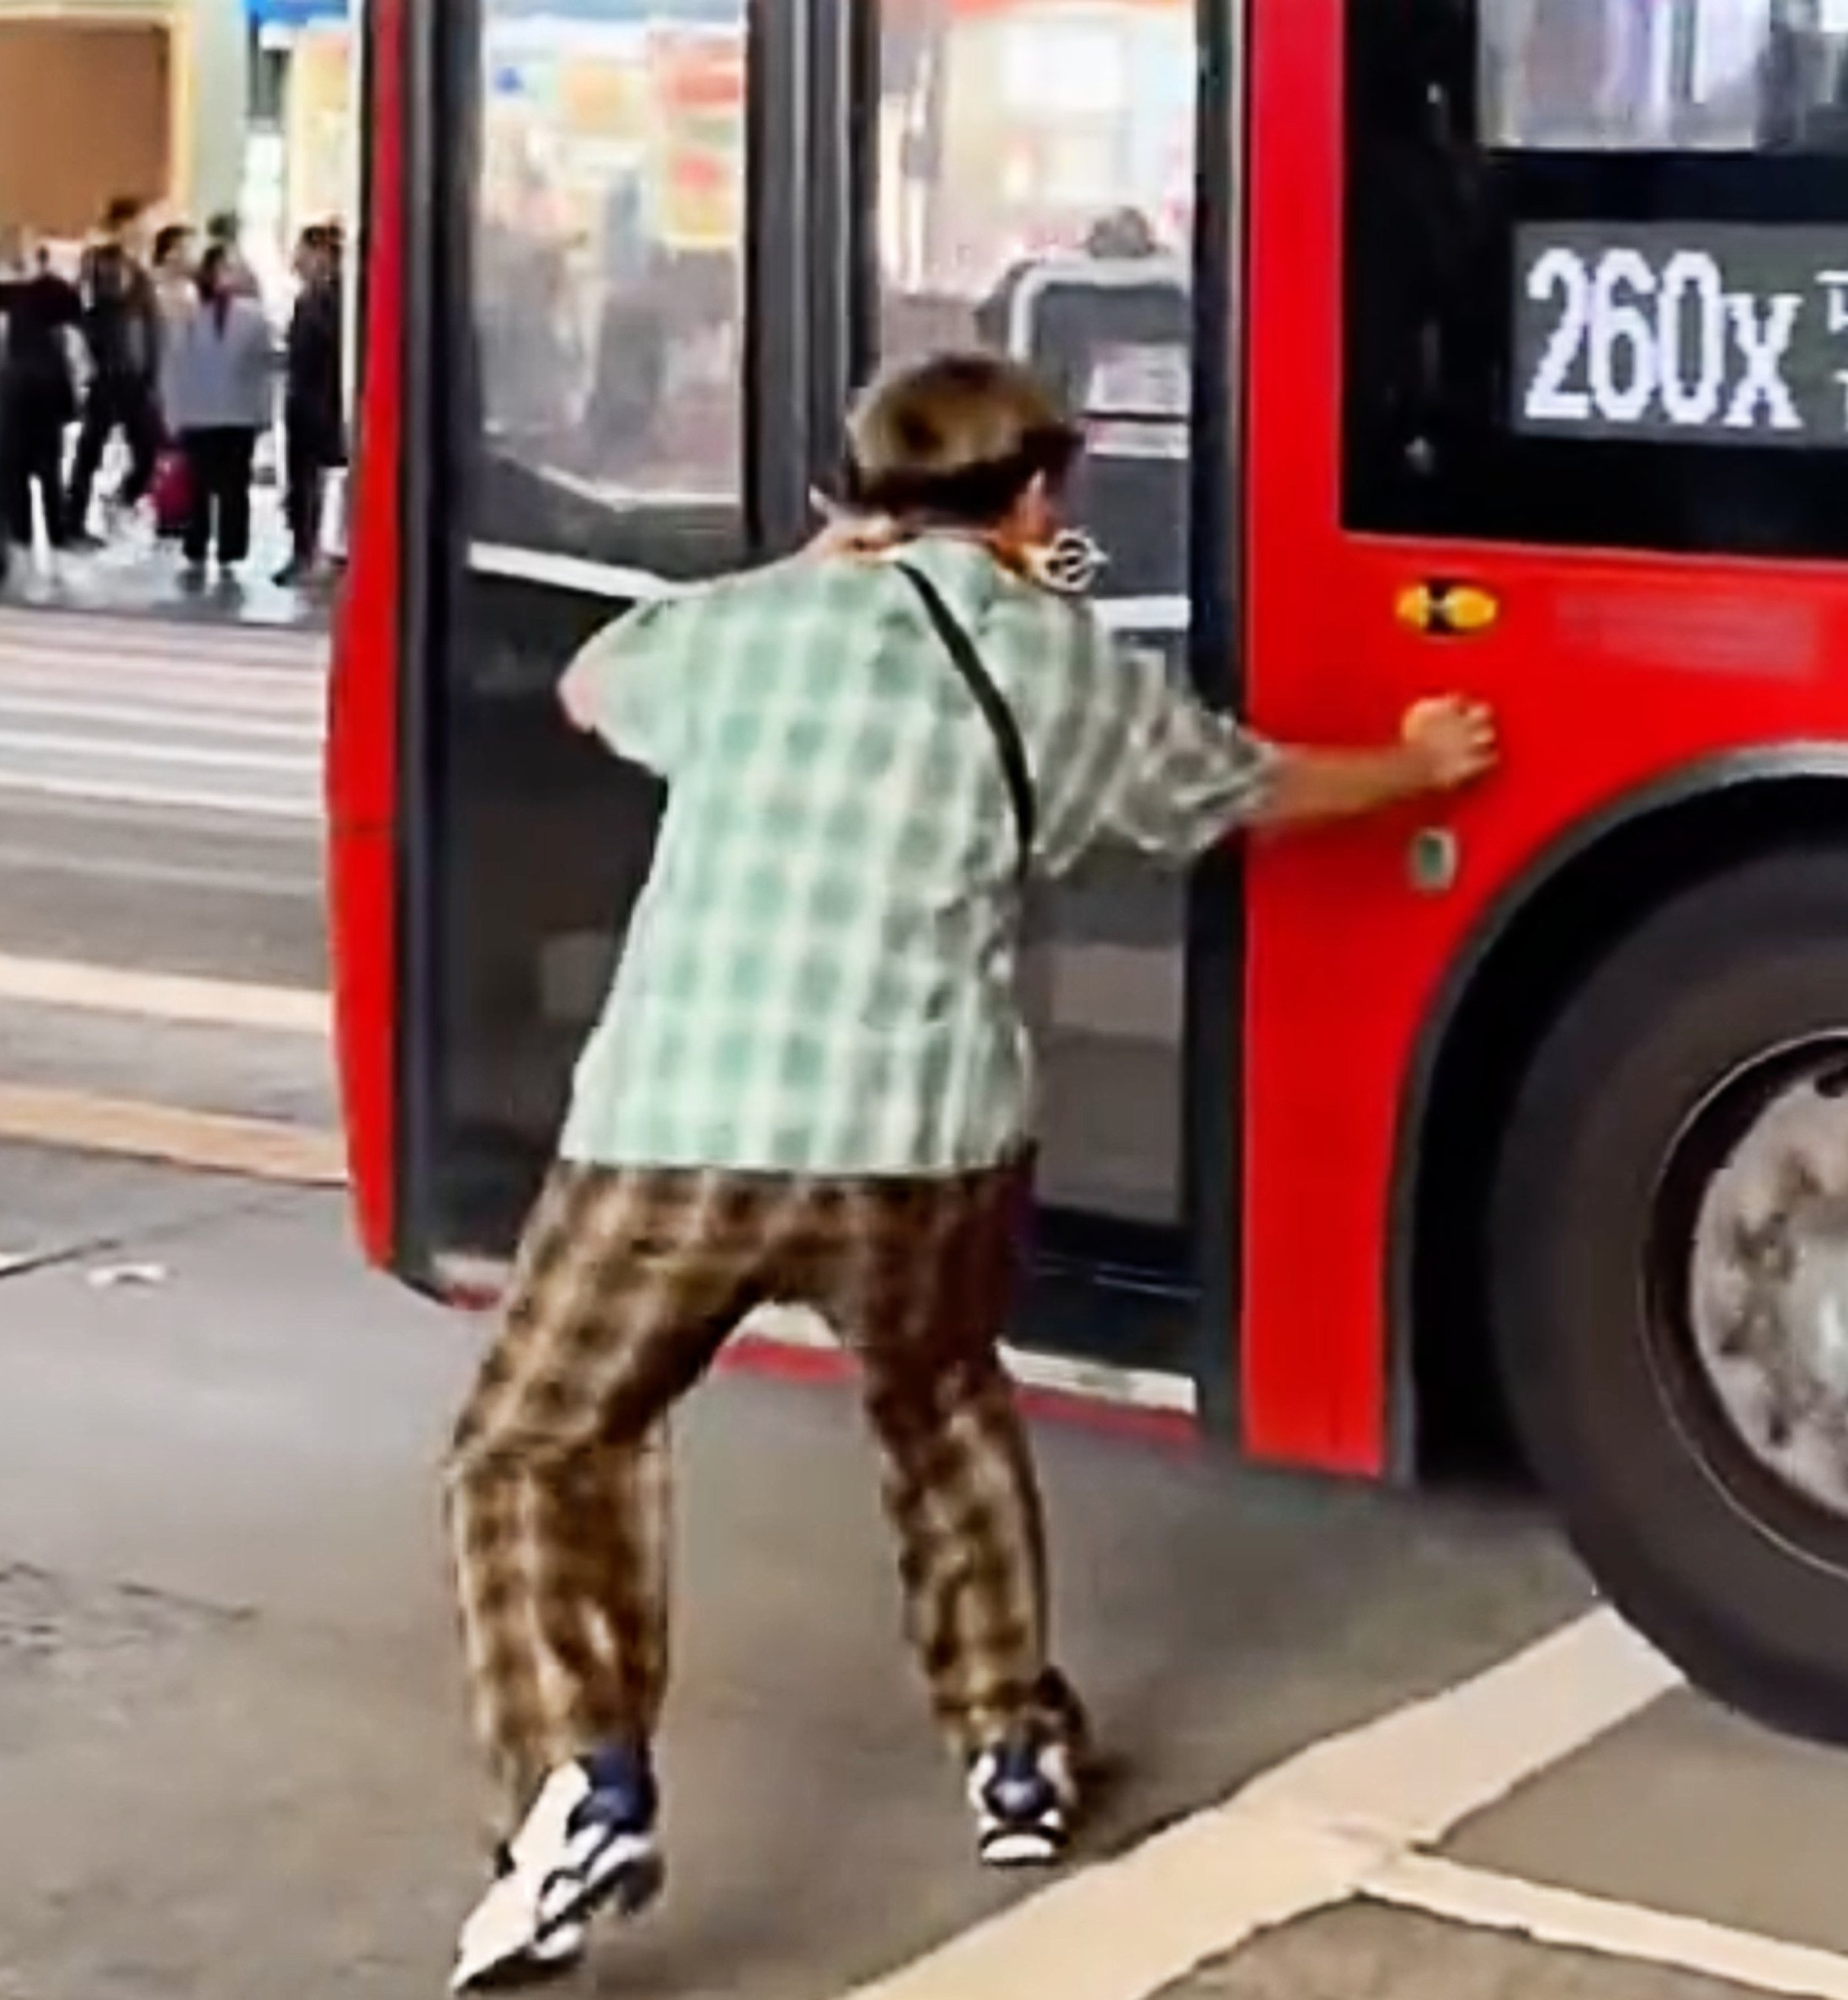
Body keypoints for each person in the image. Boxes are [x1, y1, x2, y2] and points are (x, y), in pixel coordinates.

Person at [437, 349, 1500, 1994]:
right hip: (919, 1138)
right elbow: (1242, 787)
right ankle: (1009, 1748)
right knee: (937, 1405)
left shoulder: (738, 632)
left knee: (535, 1441)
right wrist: (1422, 766)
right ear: (1034, 501)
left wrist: (804, 567)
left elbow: (593, 683)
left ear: (853, 497)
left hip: (675, 1122)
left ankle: (582, 1779)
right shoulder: (1053, 660)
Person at [158, 241, 274, 587]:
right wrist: (173, 413)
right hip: (200, 412)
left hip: (237, 414)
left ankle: (231, 550)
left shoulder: (253, 317)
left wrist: (262, 414)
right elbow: (173, 367)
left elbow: (261, 368)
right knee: (199, 485)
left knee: (234, 486)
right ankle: (197, 544)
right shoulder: (189, 316)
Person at [0, 231, 82, 587]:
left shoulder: (58, 293)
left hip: (45, 397)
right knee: (13, 477)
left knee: (49, 476)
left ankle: (57, 544)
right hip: (11, 401)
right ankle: (17, 548)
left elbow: (73, 342)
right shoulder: (0, 297)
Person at [69, 196, 166, 543]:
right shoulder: (99, 263)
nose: (144, 231)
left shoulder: (140, 270)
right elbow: (86, 311)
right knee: (90, 449)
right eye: (138, 224)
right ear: (121, 226)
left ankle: (122, 497)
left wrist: (154, 370)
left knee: (150, 448)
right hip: (108, 370)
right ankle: (73, 521)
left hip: (138, 375)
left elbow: (151, 324)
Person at [278, 220, 348, 585]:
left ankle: (316, 554)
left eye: (306, 253)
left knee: (319, 481)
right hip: (305, 399)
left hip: (326, 400)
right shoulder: (310, 298)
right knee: (302, 483)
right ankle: (302, 551)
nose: (299, 260)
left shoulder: (337, 299)